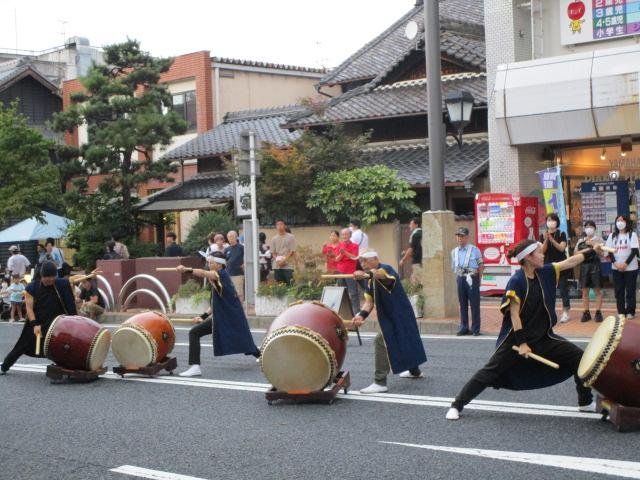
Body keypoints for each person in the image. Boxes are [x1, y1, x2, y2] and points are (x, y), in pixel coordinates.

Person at [445, 239, 599, 421]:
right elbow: (514, 316)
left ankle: (585, 401)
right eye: (539, 253)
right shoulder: (516, 281)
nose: (543, 255)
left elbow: (569, 262)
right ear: (528, 258)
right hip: (515, 341)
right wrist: (523, 343)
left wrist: (592, 251)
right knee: (489, 372)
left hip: (543, 337)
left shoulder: (545, 272)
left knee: (579, 358)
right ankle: (457, 405)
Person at [352, 250, 427, 394]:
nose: (362, 264)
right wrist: (361, 316)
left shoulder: (386, 269)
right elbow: (369, 303)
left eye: (365, 261)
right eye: (361, 262)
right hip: (388, 315)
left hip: (400, 313)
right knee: (406, 340)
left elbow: (382, 275)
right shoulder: (369, 281)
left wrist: (368, 274)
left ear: (375, 258)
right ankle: (414, 371)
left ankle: (380, 382)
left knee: (382, 340)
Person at [176, 252, 260, 377]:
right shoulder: (220, 277)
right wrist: (203, 316)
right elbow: (214, 304)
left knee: (195, 333)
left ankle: (195, 367)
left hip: (227, 318)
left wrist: (187, 270)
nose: (209, 265)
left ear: (220, 265)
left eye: (211, 263)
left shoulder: (219, 275)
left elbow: (203, 273)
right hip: (229, 317)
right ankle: (262, 356)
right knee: (243, 339)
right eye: (208, 262)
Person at [1, 261, 77, 374]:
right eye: (48, 277)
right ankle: (4, 367)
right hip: (37, 321)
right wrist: (35, 324)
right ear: (42, 276)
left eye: (53, 277)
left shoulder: (58, 284)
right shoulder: (32, 288)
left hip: (55, 321)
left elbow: (73, 279)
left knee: (61, 344)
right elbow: (29, 309)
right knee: (22, 345)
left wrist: (90, 275)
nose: (51, 279)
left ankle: (68, 367)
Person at [451, 227, 484, 336]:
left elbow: (481, 265)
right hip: (461, 278)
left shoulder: (474, 250)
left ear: (466, 237)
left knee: (474, 304)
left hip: (472, 277)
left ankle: (475, 329)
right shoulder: (454, 252)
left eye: (462, 236)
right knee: (462, 304)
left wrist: (479, 279)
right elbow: (453, 267)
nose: (459, 238)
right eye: (458, 236)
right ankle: (464, 327)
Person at [605, 214, 639, 320]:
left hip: (631, 268)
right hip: (616, 268)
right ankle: (621, 312)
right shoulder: (612, 236)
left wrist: (625, 264)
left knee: (630, 290)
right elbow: (610, 251)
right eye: (618, 220)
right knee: (618, 291)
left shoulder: (632, 234)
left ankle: (630, 311)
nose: (620, 222)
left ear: (626, 222)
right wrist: (616, 263)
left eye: (622, 220)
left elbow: (634, 251)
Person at [540, 213, 571, 322]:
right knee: (548, 290)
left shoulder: (561, 233)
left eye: (553, 220)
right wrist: (546, 239)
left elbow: (562, 248)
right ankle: (548, 312)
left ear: (557, 222)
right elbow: (541, 251)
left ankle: (566, 312)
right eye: (548, 220)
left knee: (563, 289)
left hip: (561, 265)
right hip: (548, 266)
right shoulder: (543, 235)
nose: (550, 222)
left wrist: (552, 240)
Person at [576, 220, 604, 323]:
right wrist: (588, 249)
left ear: (595, 229)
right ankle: (586, 312)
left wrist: (594, 245)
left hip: (595, 266)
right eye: (587, 226)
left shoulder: (599, 240)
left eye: (591, 226)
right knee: (585, 291)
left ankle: (598, 312)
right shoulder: (581, 241)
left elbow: (603, 254)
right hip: (584, 267)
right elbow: (575, 253)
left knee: (597, 291)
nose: (589, 228)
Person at [335, 228, 360, 315]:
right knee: (342, 293)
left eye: (346, 234)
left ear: (350, 235)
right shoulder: (339, 245)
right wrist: (342, 254)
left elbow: (354, 257)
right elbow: (336, 259)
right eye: (343, 234)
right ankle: (345, 313)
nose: (344, 236)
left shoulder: (355, 246)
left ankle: (357, 312)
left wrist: (345, 252)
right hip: (340, 271)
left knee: (353, 293)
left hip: (350, 271)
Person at [271, 219, 296, 285]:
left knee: (290, 286)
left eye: (281, 224)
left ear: (284, 226)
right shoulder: (274, 238)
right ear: (276, 226)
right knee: (280, 288)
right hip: (277, 266)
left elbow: (292, 251)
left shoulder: (291, 237)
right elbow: (273, 252)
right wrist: (278, 261)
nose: (279, 226)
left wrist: (284, 260)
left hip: (288, 266)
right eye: (278, 224)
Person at [399, 217, 423, 285]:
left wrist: (403, 259)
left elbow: (411, 249)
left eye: (411, 224)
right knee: (415, 280)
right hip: (423, 261)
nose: (409, 225)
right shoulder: (422, 232)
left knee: (417, 282)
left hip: (417, 262)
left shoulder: (415, 235)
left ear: (416, 225)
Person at [224, 230, 245, 303]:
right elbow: (224, 261)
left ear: (236, 237)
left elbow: (246, 258)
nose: (230, 238)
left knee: (239, 293)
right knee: (230, 293)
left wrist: (244, 264)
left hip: (238, 273)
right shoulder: (226, 249)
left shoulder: (241, 248)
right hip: (228, 274)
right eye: (229, 237)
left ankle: (240, 308)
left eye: (232, 236)